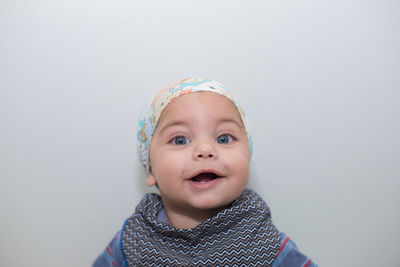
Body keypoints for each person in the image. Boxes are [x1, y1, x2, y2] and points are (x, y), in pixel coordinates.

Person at [93, 77, 317, 266]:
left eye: (223, 138)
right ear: (150, 168)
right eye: (180, 140)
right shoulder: (133, 242)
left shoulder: (265, 243)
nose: (205, 150)